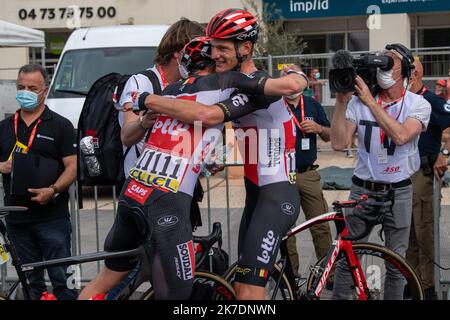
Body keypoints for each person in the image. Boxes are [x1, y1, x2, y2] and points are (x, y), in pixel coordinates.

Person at [79, 36, 307, 300]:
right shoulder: (227, 82)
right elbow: (209, 114)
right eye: (218, 53)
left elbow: (176, 136)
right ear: (213, 60)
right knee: (181, 297)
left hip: (132, 194)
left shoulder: (169, 90)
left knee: (105, 279)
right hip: (165, 202)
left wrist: (147, 101)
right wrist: (297, 78)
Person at [140, 9, 311, 300]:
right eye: (212, 46)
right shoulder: (231, 83)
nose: (214, 54)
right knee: (239, 286)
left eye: (222, 47)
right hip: (256, 195)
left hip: (277, 196)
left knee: (249, 291)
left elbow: (207, 115)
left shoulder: (257, 87)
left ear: (245, 48)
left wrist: (150, 100)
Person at [330, 43, 431, 299]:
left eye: (389, 63)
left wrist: (369, 102)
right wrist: (342, 102)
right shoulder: (358, 102)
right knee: (346, 259)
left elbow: (400, 135)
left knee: (396, 264)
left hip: (398, 190)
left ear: (404, 71)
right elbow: (339, 143)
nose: (381, 69)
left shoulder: (419, 104)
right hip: (362, 188)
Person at [0, 64, 78, 300]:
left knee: (63, 281)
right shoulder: (4, 127)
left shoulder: (60, 125)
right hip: (17, 220)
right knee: (32, 283)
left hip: (52, 217)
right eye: (21, 87)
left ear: (44, 91)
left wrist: (53, 189)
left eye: (32, 88)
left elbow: (73, 167)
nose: (25, 92)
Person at [119, 18, 205, 176]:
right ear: (177, 52)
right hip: (144, 186)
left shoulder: (191, 84)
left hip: (179, 184)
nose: (199, 59)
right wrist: (143, 123)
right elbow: (126, 136)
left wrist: (212, 158)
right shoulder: (141, 82)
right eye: (194, 53)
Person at [406, 58, 450, 299]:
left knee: (424, 231)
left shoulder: (431, 100)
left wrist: (444, 155)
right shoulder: (400, 100)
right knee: (407, 232)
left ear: (417, 73)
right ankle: (411, 280)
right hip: (401, 175)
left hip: (423, 174)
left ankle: (428, 285)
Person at [281, 82, 333, 279]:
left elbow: (330, 136)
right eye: (289, 79)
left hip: (308, 173)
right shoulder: (275, 105)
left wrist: (319, 128)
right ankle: (290, 276)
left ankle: (330, 274)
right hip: (284, 174)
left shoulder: (312, 104)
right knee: (286, 228)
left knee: (321, 224)